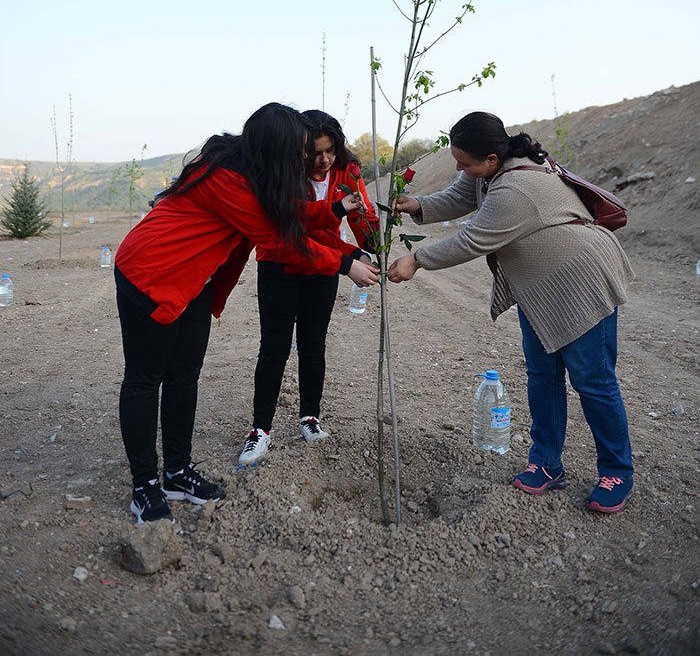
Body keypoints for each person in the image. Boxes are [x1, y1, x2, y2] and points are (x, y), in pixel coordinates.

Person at [115, 103, 379, 522]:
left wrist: (338, 215)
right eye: (298, 149)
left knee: (184, 376)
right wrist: (346, 263)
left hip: (196, 278)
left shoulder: (256, 173)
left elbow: (291, 214)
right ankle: (145, 484)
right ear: (277, 147)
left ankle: (177, 473)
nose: (305, 158)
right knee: (146, 380)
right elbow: (284, 237)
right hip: (152, 271)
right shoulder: (229, 180)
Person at [387, 110, 635, 514]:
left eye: (464, 162)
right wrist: (417, 204)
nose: (458, 167)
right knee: (542, 377)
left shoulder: (516, 187)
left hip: (582, 283)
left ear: (491, 159)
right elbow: (460, 195)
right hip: (539, 290)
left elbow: (474, 238)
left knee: (593, 382)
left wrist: (417, 259)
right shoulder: (488, 172)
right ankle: (547, 464)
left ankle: (616, 472)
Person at [238, 109, 380, 465]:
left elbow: (362, 221)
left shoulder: (346, 171)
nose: (323, 159)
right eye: (314, 152)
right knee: (273, 349)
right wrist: (348, 259)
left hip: (324, 267)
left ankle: (310, 418)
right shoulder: (283, 173)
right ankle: (260, 430)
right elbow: (294, 230)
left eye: (330, 150)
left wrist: (375, 242)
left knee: (313, 345)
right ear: (299, 149)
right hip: (280, 265)